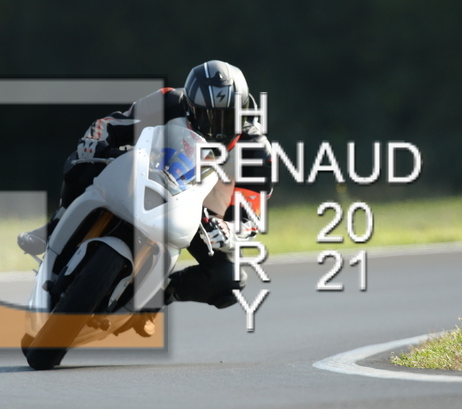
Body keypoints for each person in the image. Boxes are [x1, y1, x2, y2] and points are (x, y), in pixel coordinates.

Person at [18, 60, 273, 310]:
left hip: (200, 217)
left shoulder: (257, 151)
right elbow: (111, 125)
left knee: (230, 280)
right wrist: (94, 142)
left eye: (227, 118)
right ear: (188, 106)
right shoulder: (168, 101)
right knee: (83, 160)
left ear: (243, 112)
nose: (216, 129)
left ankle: (160, 295)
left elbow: (251, 215)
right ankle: (57, 223)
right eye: (206, 117)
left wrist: (229, 229)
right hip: (146, 174)